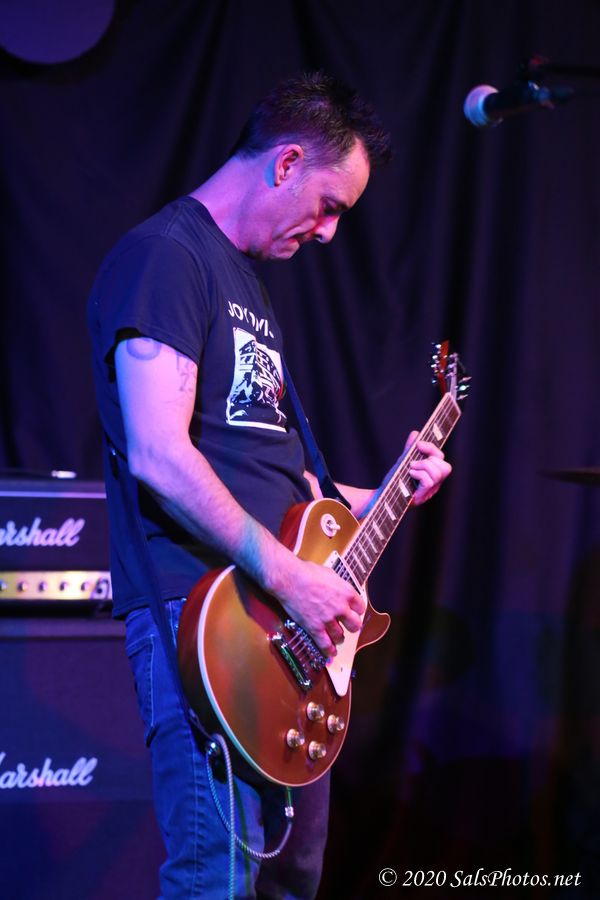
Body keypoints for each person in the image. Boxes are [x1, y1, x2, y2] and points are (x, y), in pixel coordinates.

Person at [87, 71, 451, 899]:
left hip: (280, 624)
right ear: (286, 163)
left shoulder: (246, 286)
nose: (328, 232)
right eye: (329, 206)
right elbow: (158, 453)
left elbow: (285, 480)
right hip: (206, 614)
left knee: (289, 881)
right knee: (215, 879)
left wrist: (393, 488)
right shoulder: (167, 257)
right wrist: (292, 578)